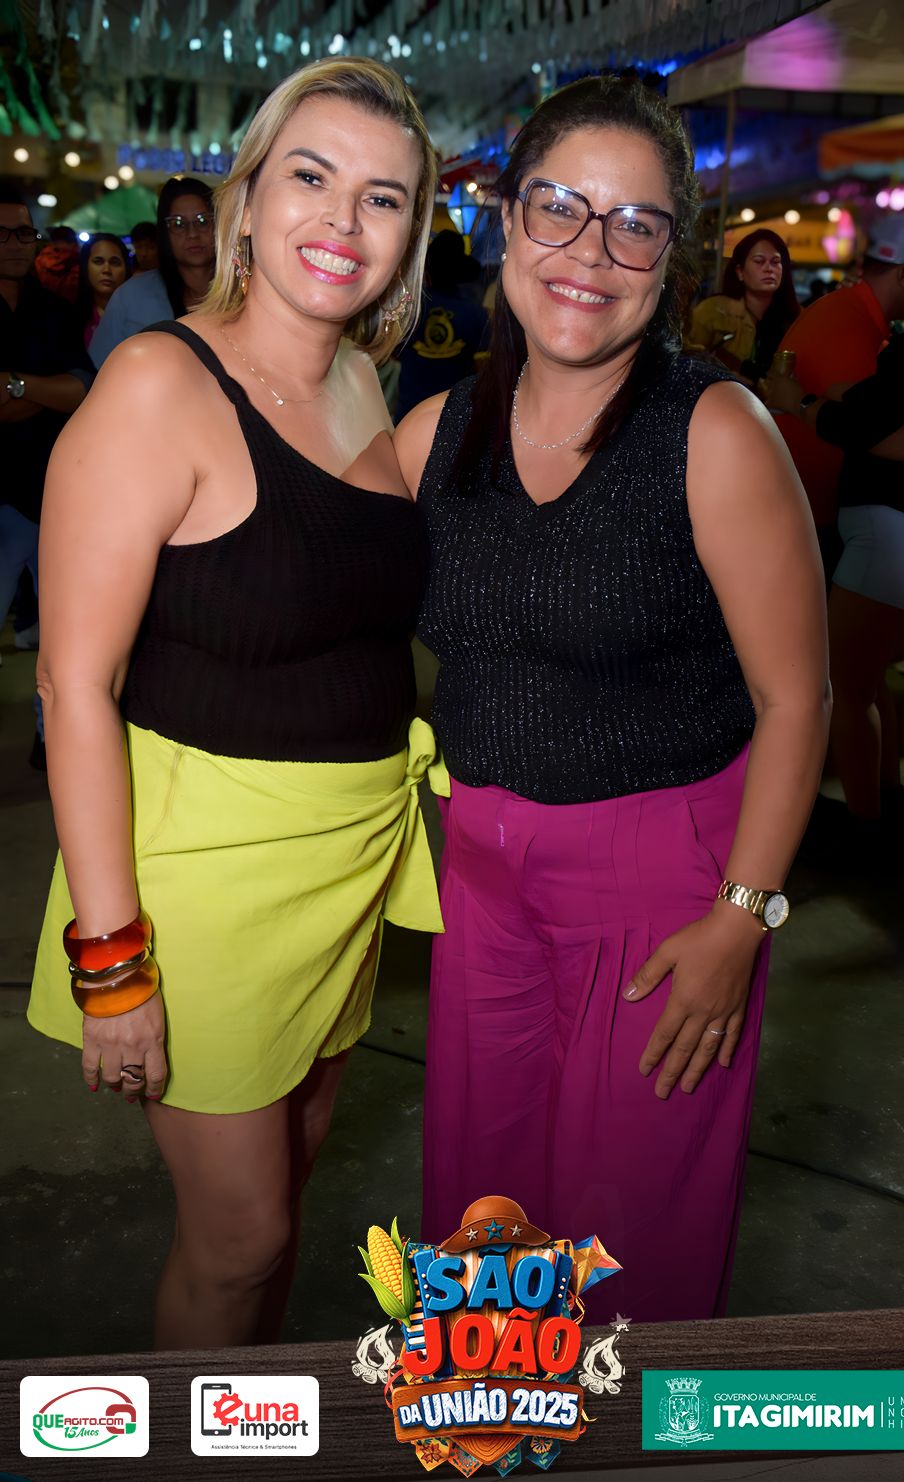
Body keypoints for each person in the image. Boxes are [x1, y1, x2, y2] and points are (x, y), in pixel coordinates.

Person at [394, 76, 830, 1322]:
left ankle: (625, 1428)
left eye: (633, 225)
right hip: (481, 877)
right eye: (559, 208)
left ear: (669, 256)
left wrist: (743, 919)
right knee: (482, 1213)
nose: (590, 253)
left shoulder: (715, 432)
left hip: (664, 885)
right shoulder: (434, 433)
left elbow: (796, 698)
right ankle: (495, 1417)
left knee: (630, 1236)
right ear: (506, 222)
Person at [27, 57, 440, 1350]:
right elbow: (72, 683)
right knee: (241, 1236)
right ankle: (180, 1439)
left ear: (412, 234)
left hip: (348, 866)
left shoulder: (363, 381)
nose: (343, 220)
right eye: (311, 176)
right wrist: (113, 965)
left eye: (382, 197)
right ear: (247, 201)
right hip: (203, 880)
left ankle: (244, 1425)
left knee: (293, 1187)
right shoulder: (158, 384)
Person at [765, 216, 904, 825]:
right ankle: (887, 806)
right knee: (867, 682)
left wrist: (796, 401)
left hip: (901, 537)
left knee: (842, 690)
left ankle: (869, 833)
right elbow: (887, 413)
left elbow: (863, 426)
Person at [771, 214, 904, 579]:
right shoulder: (849, 320)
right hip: (810, 521)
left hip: (808, 513)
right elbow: (869, 431)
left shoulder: (855, 314)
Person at [0, 183, 92, 766]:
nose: (16, 243)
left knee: (62, 636)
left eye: (23, 232)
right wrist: (42, 391)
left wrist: (15, 385)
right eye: (4, 233)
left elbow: (80, 390)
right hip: (4, 495)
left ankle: (49, 739)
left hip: (50, 489)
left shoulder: (55, 311)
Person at [88, 177, 215, 367]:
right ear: (165, 232)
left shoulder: (245, 291)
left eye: (203, 221)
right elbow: (97, 370)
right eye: (178, 224)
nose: (193, 234)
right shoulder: (131, 296)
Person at [393, 229, 490, 420]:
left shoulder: (408, 309)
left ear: (428, 268)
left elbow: (393, 353)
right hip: (454, 419)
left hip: (409, 415)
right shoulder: (475, 313)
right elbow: (482, 369)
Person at [687, 228, 800, 385]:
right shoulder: (712, 311)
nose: (768, 268)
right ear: (740, 271)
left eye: (775, 262)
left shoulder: (798, 318)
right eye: (759, 261)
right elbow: (689, 363)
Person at [76, 232, 132, 348]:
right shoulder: (69, 319)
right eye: (98, 261)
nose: (106, 270)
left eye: (115, 262)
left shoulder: (141, 316)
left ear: (126, 268)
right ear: (86, 267)